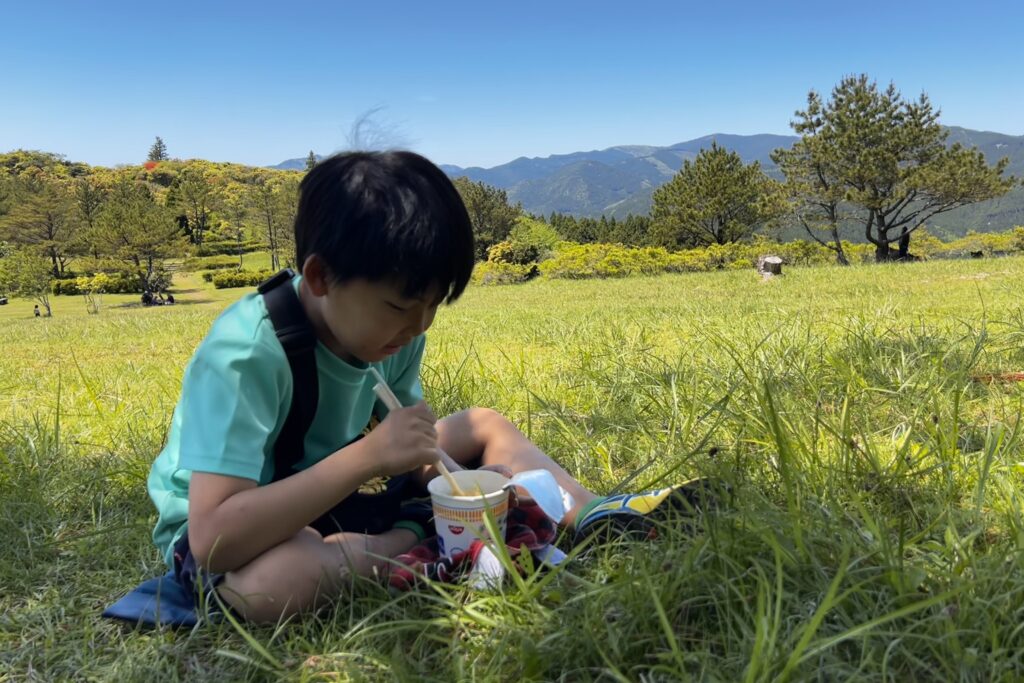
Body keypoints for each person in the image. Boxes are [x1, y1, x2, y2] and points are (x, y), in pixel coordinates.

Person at [146, 151, 706, 623]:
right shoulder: (246, 353)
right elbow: (214, 538)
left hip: (335, 494)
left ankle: (588, 515)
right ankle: (421, 546)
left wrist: (457, 482)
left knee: (480, 425)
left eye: (433, 305)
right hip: (237, 528)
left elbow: (413, 448)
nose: (419, 327)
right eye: (400, 306)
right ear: (319, 278)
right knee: (271, 584)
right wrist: (372, 457)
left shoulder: (389, 333)